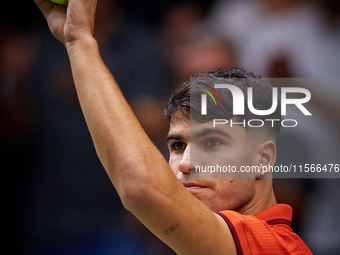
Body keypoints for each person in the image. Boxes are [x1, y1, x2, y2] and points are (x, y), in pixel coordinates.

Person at [34, 0, 312, 254]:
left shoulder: (275, 246)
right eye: (177, 146)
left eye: (213, 143)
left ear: (263, 159)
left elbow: (143, 188)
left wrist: (79, 41)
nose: (186, 163)